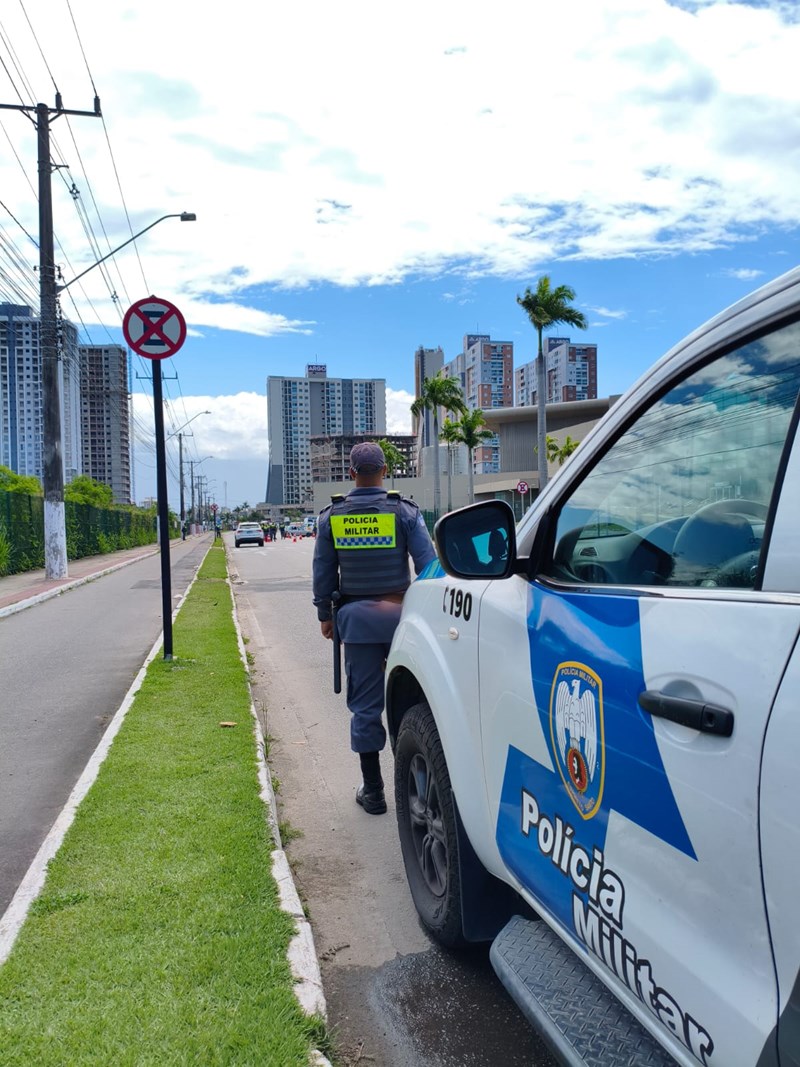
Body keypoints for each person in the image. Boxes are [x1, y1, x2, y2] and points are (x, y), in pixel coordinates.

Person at [313, 442, 436, 815]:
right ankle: (419, 786)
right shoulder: (404, 512)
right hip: (403, 620)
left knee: (365, 708)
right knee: (414, 702)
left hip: (358, 623)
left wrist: (325, 614)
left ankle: (374, 792)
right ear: (384, 471)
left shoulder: (333, 516)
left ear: (351, 473)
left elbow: (323, 572)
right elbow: (428, 566)